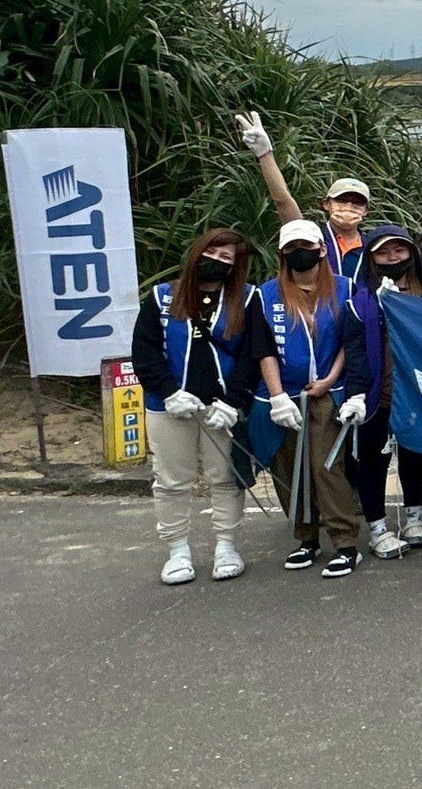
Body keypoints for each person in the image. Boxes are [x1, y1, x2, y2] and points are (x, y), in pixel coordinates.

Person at [132, 229, 268, 585]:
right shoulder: (162, 297)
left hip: (222, 408)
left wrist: (233, 402)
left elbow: (252, 357)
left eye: (228, 259)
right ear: (197, 253)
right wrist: (168, 393)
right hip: (169, 406)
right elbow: (145, 352)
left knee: (225, 478)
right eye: (214, 253)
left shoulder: (248, 298)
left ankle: (226, 545)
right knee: (171, 480)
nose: (218, 262)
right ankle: (177, 549)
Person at [258, 219, 357, 577]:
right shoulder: (266, 294)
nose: (300, 253)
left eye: (307, 246)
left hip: (329, 392)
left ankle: (345, 543)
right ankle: (306, 538)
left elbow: (352, 340)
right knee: (288, 466)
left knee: (325, 465)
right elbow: (263, 346)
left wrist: (331, 378)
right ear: (283, 253)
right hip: (283, 394)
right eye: (291, 248)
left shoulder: (345, 288)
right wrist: (277, 395)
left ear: (322, 249)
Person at [335, 225, 422, 560]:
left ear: (412, 254)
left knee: (415, 456)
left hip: (419, 393)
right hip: (380, 395)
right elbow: (356, 351)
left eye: (399, 251)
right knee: (373, 462)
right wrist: (357, 394)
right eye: (383, 252)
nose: (392, 258)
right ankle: (378, 528)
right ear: (371, 258)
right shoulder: (360, 302)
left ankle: (415, 518)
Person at [235, 110, 373, 279]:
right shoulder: (310, 237)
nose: (348, 207)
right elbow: (283, 201)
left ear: (366, 211)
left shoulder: (375, 245)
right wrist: (265, 154)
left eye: (357, 203)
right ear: (326, 204)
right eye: (341, 200)